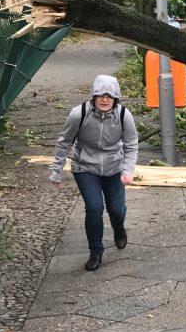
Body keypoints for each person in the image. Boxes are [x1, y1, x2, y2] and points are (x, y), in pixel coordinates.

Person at [50, 75, 139, 271]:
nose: (105, 100)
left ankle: (118, 227)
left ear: (116, 98)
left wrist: (128, 170)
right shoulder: (78, 114)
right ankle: (96, 252)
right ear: (93, 96)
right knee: (94, 207)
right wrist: (57, 171)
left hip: (114, 167)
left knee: (116, 209)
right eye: (100, 95)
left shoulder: (124, 115)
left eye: (109, 96)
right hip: (85, 166)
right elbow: (64, 142)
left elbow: (131, 145)